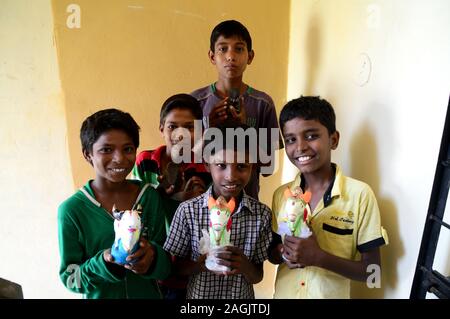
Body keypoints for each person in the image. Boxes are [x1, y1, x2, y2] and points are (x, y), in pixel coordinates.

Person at [269, 96, 388, 299]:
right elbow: (272, 252)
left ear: (333, 139)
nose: (300, 147)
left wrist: (319, 257)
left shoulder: (360, 196)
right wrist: (283, 252)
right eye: (290, 139)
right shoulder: (282, 195)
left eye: (311, 136)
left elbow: (373, 274)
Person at [57, 108, 170, 298]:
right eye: (106, 150)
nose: (119, 158)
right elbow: (71, 279)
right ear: (87, 155)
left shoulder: (149, 196)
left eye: (127, 149)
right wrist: (103, 262)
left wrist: (153, 257)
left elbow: (166, 266)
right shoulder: (72, 210)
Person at [163, 123, 272, 298]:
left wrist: (244, 265)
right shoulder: (188, 211)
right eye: (221, 165)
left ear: (253, 166)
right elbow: (174, 269)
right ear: (207, 165)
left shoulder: (261, 215)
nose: (231, 176)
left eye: (242, 166)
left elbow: (257, 276)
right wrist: (203, 263)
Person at [191, 20, 282, 200]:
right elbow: (185, 158)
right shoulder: (196, 102)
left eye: (239, 49)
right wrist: (210, 129)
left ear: (250, 56)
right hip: (201, 204)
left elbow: (268, 167)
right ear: (211, 56)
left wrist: (243, 129)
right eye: (223, 49)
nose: (231, 56)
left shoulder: (262, 104)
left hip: (246, 204)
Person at [132, 93, 211, 299]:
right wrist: (161, 195)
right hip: (153, 265)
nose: (180, 134)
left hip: (191, 268)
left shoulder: (208, 168)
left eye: (189, 127)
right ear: (161, 129)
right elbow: (135, 208)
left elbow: (214, 218)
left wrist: (194, 204)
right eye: (172, 126)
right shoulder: (145, 162)